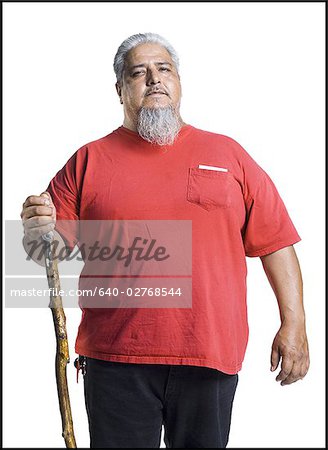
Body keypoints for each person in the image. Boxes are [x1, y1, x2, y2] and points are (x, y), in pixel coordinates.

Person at [21, 32, 310, 448]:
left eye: (165, 70)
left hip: (209, 354)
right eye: (138, 72)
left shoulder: (228, 154)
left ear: (179, 82)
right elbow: (47, 250)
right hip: (115, 359)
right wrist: (36, 228)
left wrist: (294, 324)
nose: (154, 79)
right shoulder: (88, 160)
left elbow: (276, 241)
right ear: (120, 89)